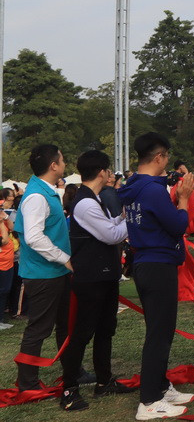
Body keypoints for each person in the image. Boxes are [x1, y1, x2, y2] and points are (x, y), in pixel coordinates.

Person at [118, 132, 194, 420]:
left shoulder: (135, 185)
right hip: (158, 264)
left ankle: (161, 386)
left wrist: (172, 185)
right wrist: (184, 198)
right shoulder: (151, 191)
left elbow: (159, 187)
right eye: (165, 159)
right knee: (159, 334)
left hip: (145, 262)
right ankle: (149, 400)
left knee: (159, 328)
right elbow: (178, 224)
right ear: (159, 157)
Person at [60, 151, 136, 411]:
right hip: (91, 278)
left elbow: (109, 226)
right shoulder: (85, 202)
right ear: (102, 172)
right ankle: (69, 389)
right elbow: (111, 235)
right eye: (109, 170)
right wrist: (135, 223)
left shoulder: (93, 199)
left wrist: (124, 218)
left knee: (106, 330)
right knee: (82, 333)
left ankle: (104, 381)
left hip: (104, 274)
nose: (111, 174)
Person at [12, 144, 72, 395]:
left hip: (55, 273)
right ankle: (27, 383)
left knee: (65, 325)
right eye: (63, 159)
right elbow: (34, 238)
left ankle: (72, 371)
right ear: (53, 165)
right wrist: (63, 258)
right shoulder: (36, 196)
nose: (65, 163)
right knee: (39, 329)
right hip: (44, 274)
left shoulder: (45, 192)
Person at [0, 188, 16, 331]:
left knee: (5, 291)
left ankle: (1, 319)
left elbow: (12, 227)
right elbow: (4, 240)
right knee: (2, 290)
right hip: (1, 262)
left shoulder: (3, 217)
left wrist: (5, 218)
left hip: (8, 261)